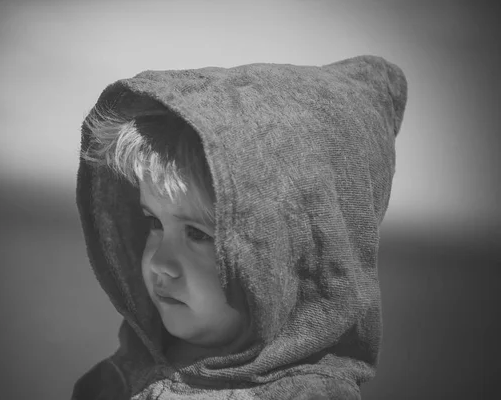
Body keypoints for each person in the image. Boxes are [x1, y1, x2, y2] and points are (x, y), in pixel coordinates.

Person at [72, 55, 408, 399]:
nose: (160, 263)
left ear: (290, 256)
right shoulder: (114, 380)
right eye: (154, 223)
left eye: (198, 234)